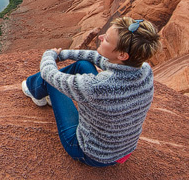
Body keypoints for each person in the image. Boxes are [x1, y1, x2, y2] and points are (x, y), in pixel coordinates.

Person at [21, 16, 161, 167]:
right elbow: (99, 58)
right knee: (83, 64)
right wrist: (63, 54)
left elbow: (50, 74)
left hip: (89, 152)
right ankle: (36, 89)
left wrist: (50, 54)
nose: (100, 37)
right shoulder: (144, 69)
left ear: (122, 55)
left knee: (53, 83)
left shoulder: (98, 86)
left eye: (107, 39)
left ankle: (34, 90)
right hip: (123, 151)